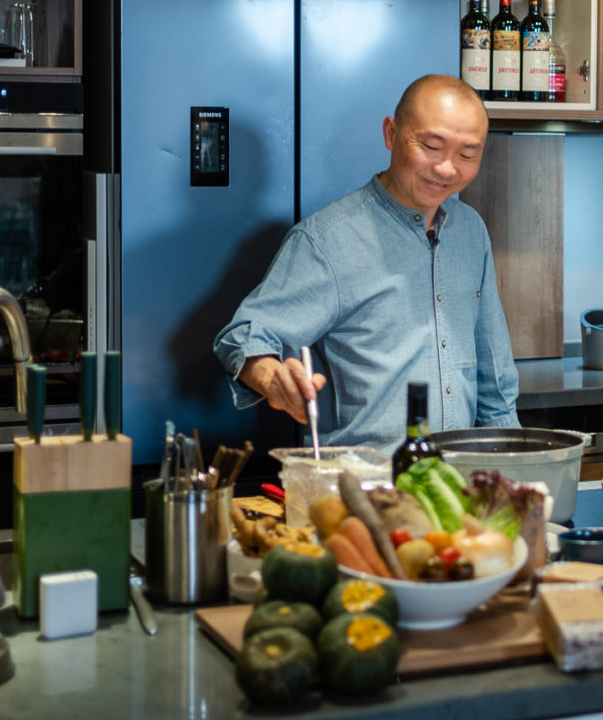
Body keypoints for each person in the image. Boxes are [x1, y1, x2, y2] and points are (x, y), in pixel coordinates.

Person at [213, 75, 519, 450]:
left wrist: (514, 466)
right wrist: (270, 375)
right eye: (430, 146)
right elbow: (244, 334)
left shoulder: (470, 231)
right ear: (391, 134)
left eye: (467, 155)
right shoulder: (327, 240)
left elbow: (495, 380)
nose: (446, 168)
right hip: (364, 490)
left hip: (457, 489)